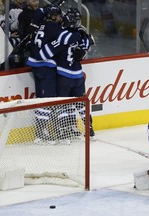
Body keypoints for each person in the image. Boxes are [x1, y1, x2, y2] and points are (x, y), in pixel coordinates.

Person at [29, 7, 96, 140]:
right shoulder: (81, 36)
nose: (61, 18)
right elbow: (87, 43)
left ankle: (63, 133)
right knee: (80, 103)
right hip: (78, 75)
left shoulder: (61, 35)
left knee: (62, 105)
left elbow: (44, 53)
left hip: (63, 75)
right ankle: (89, 130)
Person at [26, 6, 63, 144]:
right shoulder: (55, 27)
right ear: (53, 16)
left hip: (36, 66)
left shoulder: (40, 25)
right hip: (45, 66)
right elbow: (62, 44)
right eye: (58, 15)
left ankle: (42, 131)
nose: (60, 18)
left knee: (41, 99)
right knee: (46, 100)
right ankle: (40, 134)